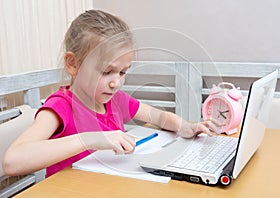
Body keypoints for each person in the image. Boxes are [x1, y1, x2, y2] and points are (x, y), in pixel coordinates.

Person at [3, 9, 219, 178]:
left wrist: (187, 126)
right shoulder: (60, 107)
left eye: (123, 72)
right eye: (107, 72)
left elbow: (157, 116)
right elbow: (12, 161)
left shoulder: (116, 101)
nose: (116, 82)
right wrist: (91, 139)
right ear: (73, 64)